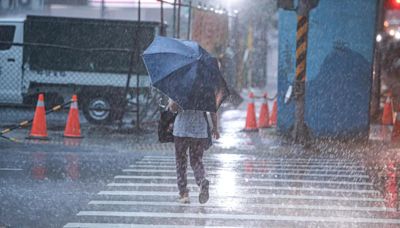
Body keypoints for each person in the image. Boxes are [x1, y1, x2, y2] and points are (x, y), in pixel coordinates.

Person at [167, 99, 220, 204]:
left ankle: (183, 193)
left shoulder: (179, 87)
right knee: (196, 160)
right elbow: (213, 111)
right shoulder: (206, 89)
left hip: (181, 129)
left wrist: (173, 104)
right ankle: (201, 181)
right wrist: (215, 128)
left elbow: (173, 108)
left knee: (181, 162)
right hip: (199, 130)